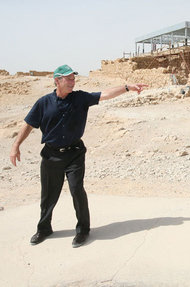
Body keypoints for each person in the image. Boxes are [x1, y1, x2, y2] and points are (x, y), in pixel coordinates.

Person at [9, 64, 147, 247]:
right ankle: (44, 229)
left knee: (76, 190)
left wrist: (127, 87)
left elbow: (104, 94)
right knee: (48, 195)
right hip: (51, 155)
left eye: (74, 78)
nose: (72, 82)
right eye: (68, 79)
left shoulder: (80, 98)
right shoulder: (44, 103)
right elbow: (28, 124)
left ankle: (83, 230)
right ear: (57, 81)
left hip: (75, 153)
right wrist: (16, 145)